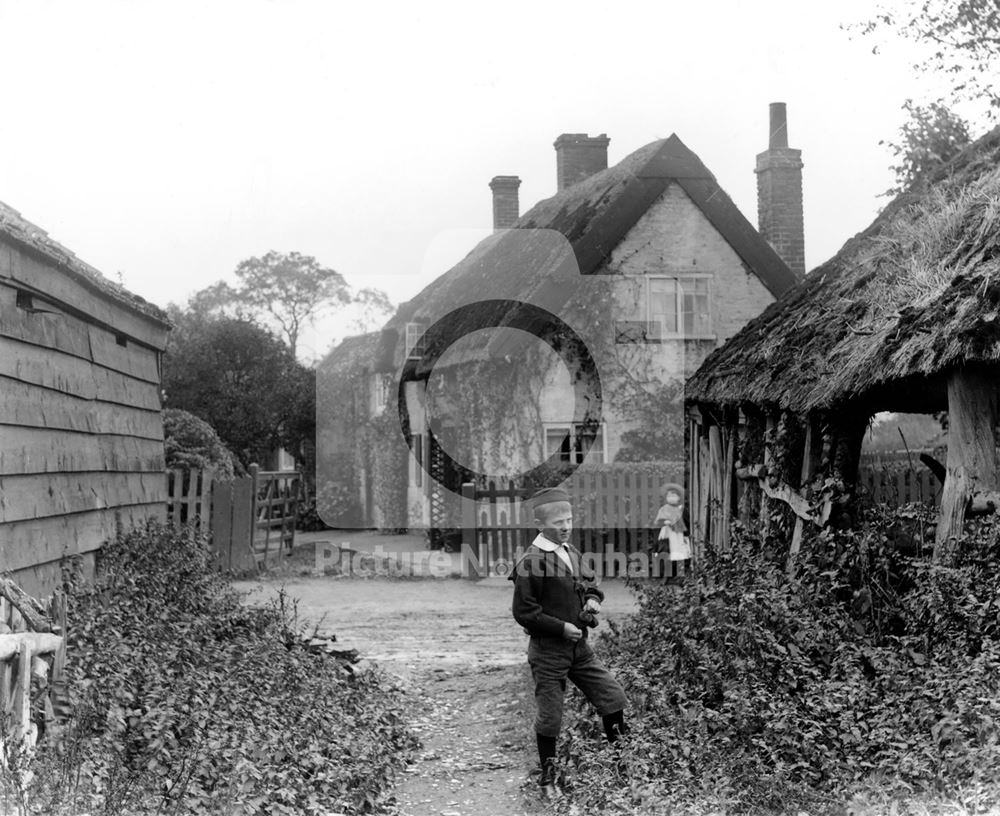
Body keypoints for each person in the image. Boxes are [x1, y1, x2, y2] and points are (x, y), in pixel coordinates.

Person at [510, 486, 628, 799]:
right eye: (558, 521)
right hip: (548, 652)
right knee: (551, 717)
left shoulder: (570, 551)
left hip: (580, 649)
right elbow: (523, 611)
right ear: (540, 525)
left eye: (569, 519)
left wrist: (591, 599)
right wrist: (561, 628)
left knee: (613, 697)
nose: (566, 526)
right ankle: (548, 782)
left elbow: (590, 582)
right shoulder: (530, 562)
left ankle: (623, 766)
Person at [653, 482, 691, 579]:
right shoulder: (664, 509)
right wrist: (665, 522)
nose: (671, 498)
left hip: (679, 535)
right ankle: (665, 575)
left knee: (681, 554)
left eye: (674, 496)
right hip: (667, 535)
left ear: (679, 498)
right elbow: (657, 522)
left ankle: (681, 575)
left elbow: (687, 521)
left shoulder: (682, 509)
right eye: (669, 496)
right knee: (665, 553)